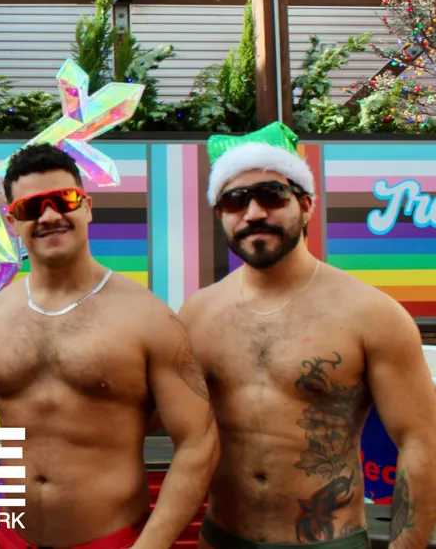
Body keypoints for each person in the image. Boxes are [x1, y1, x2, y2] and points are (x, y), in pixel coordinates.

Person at [179, 122, 436, 549]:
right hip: (221, 537)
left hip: (327, 541)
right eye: (235, 201)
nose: (253, 213)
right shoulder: (197, 313)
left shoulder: (371, 314)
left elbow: (420, 441)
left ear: (306, 205)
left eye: (271, 195)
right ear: (221, 215)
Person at [0, 143, 219, 549]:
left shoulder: (148, 318)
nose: (49, 216)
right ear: (13, 221)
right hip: (10, 540)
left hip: (113, 541)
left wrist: (150, 546)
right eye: (31, 207)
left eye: (64, 200)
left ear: (87, 207)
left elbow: (198, 441)